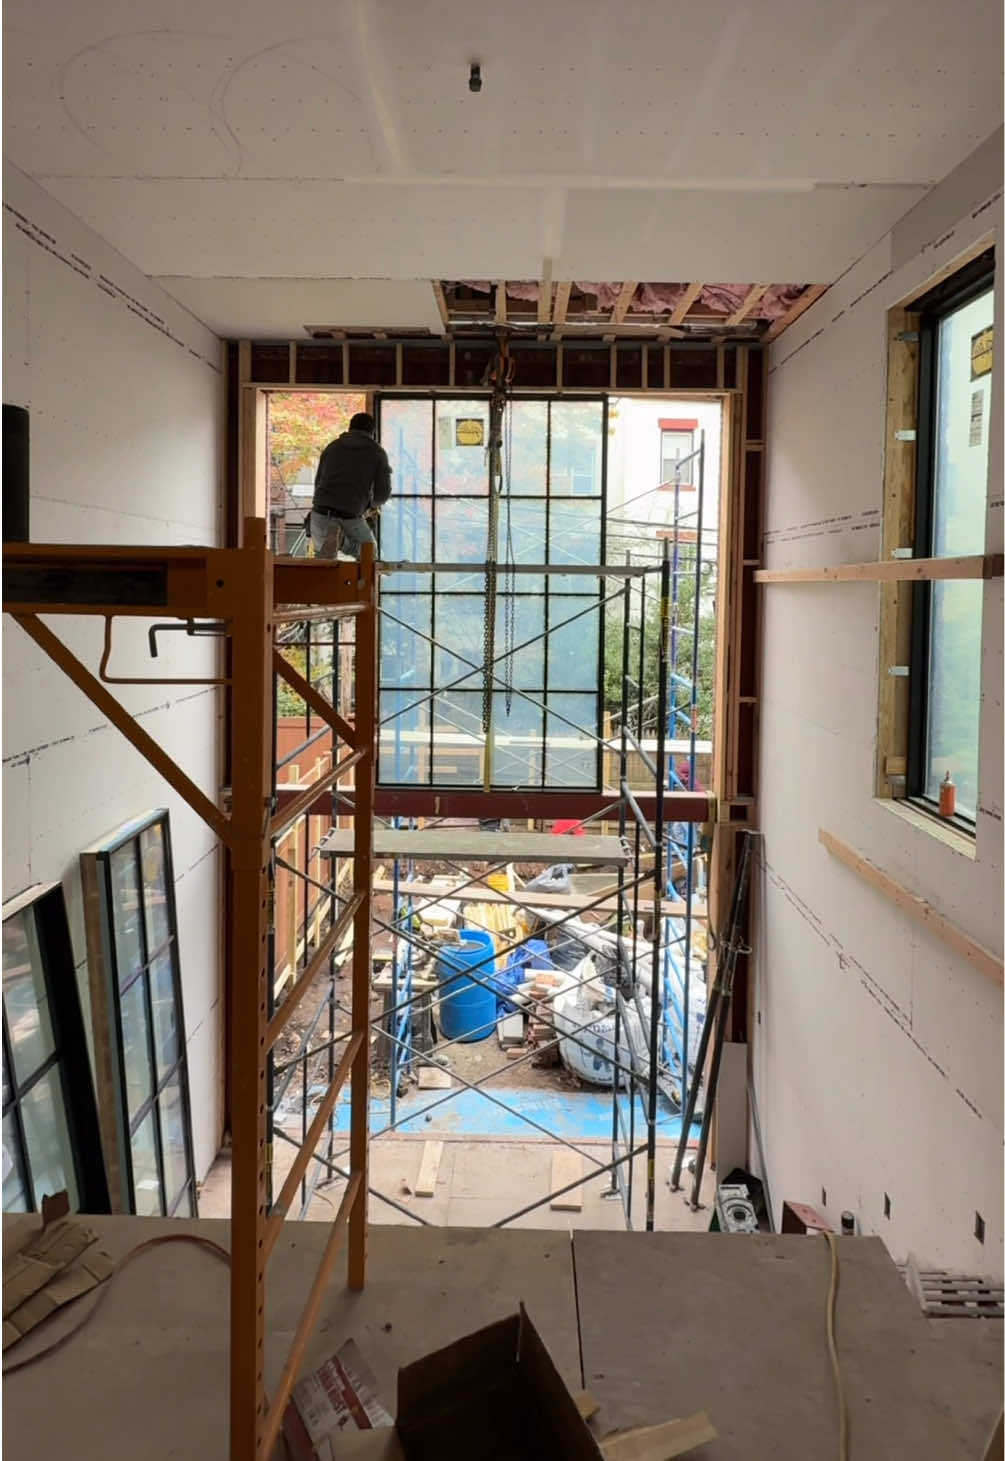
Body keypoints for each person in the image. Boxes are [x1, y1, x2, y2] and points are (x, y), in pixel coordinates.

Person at [308, 412, 392, 560]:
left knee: (323, 567)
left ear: (350, 428)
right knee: (369, 557)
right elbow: (383, 493)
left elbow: (318, 481)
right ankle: (342, 543)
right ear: (373, 432)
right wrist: (371, 505)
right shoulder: (377, 453)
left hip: (321, 513)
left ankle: (339, 541)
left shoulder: (332, 447)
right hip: (351, 515)